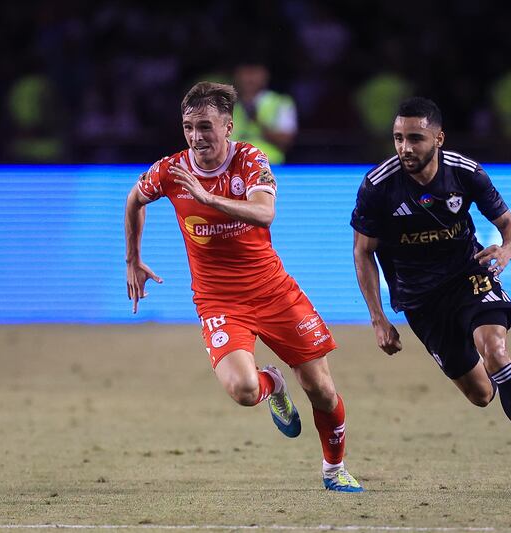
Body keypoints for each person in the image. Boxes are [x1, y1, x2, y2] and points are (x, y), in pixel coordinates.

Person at [125, 81, 363, 492]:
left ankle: (333, 469)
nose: (196, 137)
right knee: (243, 389)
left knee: (322, 391)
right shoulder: (171, 170)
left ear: (228, 127)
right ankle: (274, 384)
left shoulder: (252, 160)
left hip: (273, 291)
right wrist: (133, 258)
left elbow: (265, 213)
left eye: (205, 127)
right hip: (218, 301)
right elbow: (134, 199)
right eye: (188, 127)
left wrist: (207, 197)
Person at [351, 97, 511, 488]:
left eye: (415, 138)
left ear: (439, 137)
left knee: (495, 349)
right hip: (420, 300)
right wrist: (378, 319)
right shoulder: (378, 185)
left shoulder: (465, 173)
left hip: (469, 276)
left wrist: (505, 252)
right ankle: (506, 383)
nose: (405, 148)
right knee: (482, 394)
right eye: (398, 138)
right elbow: (364, 251)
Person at [231, 63, 297, 165]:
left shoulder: (280, 102)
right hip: (233, 167)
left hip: (270, 166)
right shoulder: (225, 104)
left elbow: (286, 141)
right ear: (236, 76)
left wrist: (258, 122)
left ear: (265, 76)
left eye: (254, 73)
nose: (250, 79)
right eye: (246, 73)